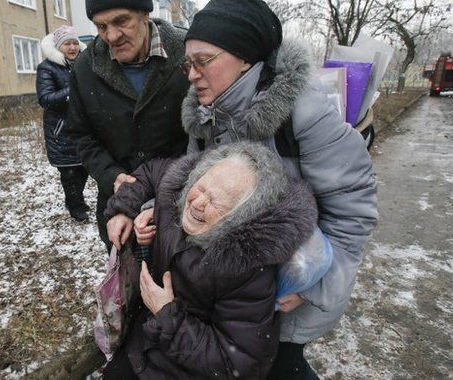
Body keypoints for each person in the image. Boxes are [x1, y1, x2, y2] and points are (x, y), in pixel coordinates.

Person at [133, 0, 379, 379]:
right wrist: (156, 211)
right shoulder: (204, 117)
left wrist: (315, 289)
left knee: (280, 365)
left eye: (203, 61)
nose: (193, 74)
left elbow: (353, 212)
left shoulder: (304, 115)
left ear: (246, 58)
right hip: (232, 293)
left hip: (285, 290)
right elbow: (196, 185)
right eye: (188, 65)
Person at [103, 142, 319, 379]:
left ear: (241, 216)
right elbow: (150, 172)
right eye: (201, 188)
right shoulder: (180, 186)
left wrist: (167, 314)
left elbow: (237, 365)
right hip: (144, 340)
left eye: (216, 202)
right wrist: (123, 209)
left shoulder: (247, 270)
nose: (197, 203)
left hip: (183, 367)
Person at [66, 0, 190, 249]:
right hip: (117, 208)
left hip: (180, 202)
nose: (111, 36)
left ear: (145, 14)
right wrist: (112, 176)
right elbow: (81, 135)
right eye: (101, 26)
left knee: (178, 284)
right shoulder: (85, 68)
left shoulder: (185, 53)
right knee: (127, 286)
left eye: (122, 21)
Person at [36, 25, 90, 222]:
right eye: (67, 43)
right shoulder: (47, 68)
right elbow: (45, 98)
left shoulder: (83, 65)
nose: (72, 47)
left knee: (84, 169)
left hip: (83, 128)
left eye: (75, 43)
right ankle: (75, 206)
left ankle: (77, 199)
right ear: (59, 46)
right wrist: (72, 90)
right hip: (62, 130)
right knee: (70, 173)